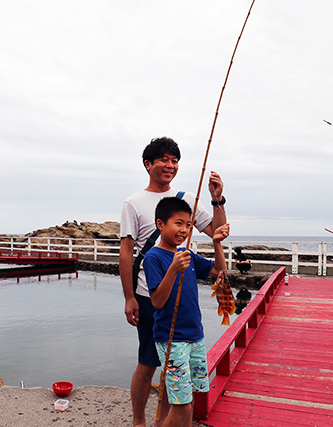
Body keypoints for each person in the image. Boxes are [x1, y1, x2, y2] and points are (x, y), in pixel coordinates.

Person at [119, 137, 227, 427]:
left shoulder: (187, 198)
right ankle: (139, 421)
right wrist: (129, 297)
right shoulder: (133, 203)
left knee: (173, 369)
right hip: (149, 295)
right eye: (163, 160)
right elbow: (127, 253)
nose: (170, 165)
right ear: (148, 164)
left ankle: (166, 420)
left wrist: (217, 198)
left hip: (183, 295)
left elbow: (217, 231)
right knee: (148, 363)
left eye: (175, 160)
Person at [144, 196, 230, 426]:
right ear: (161, 224)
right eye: (178, 223)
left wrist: (217, 244)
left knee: (189, 399)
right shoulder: (153, 257)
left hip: (195, 336)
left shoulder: (188, 255)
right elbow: (157, 301)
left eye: (188, 225)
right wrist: (173, 269)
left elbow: (219, 272)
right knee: (182, 408)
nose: (184, 230)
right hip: (173, 340)